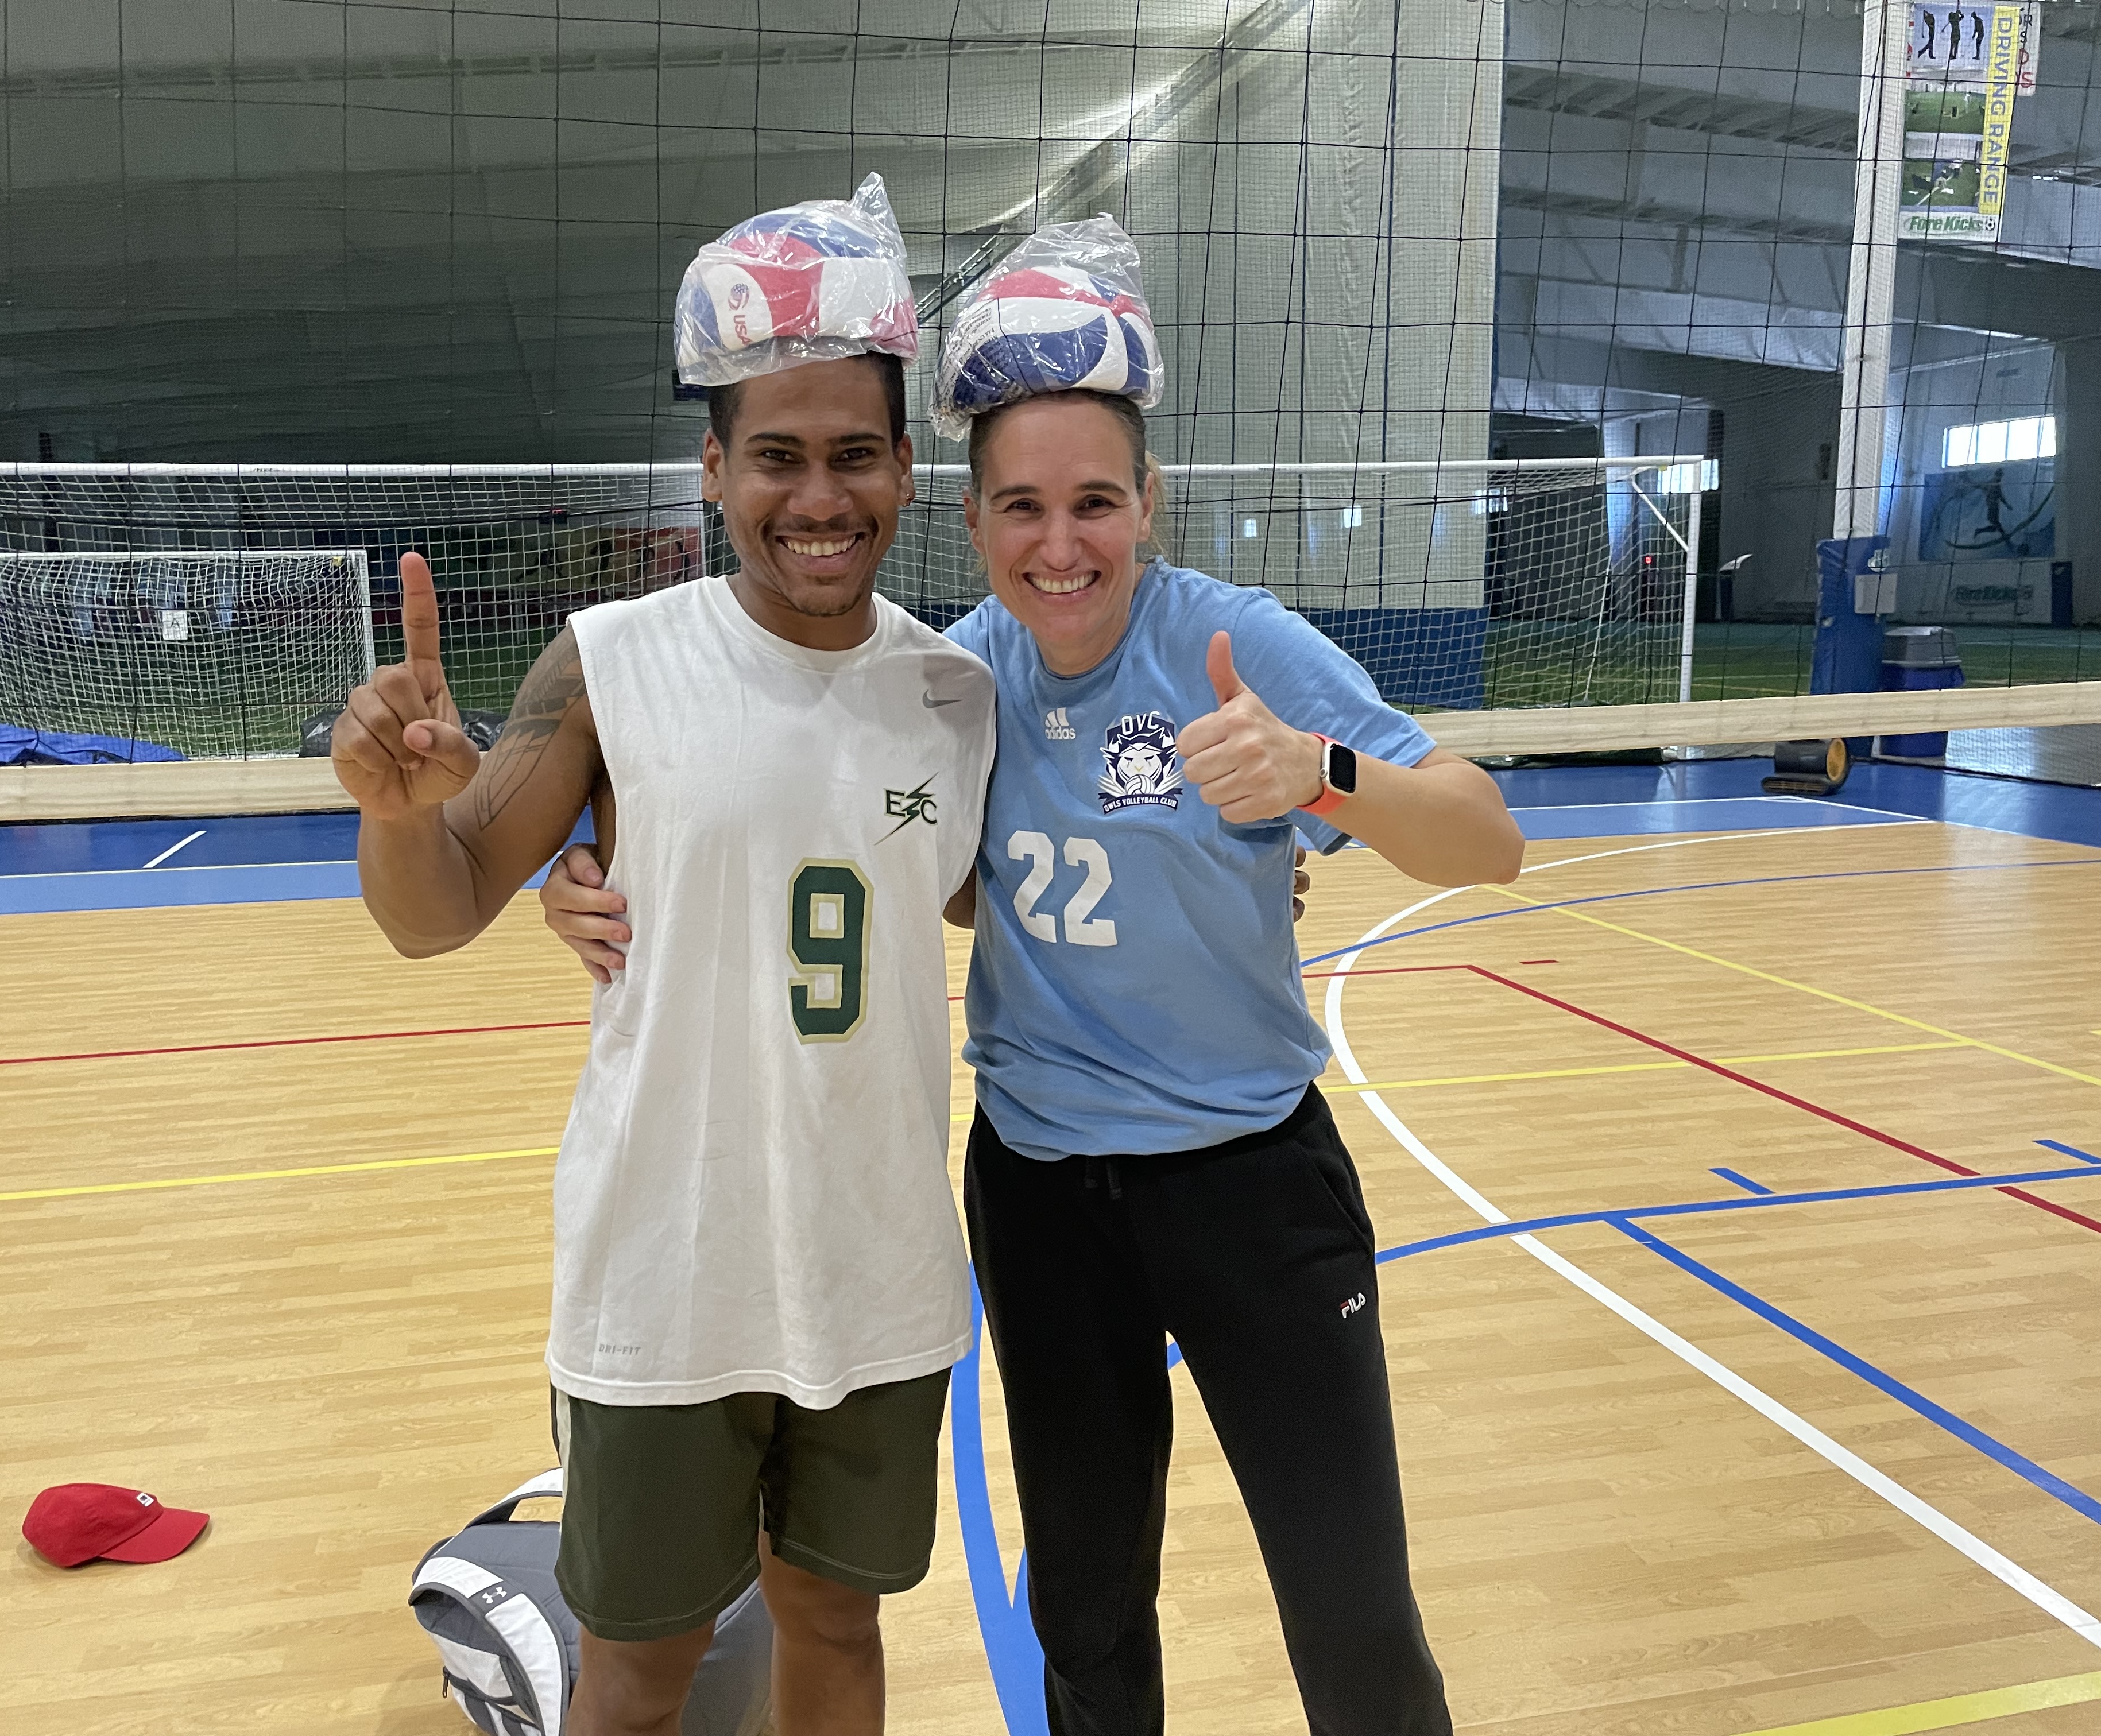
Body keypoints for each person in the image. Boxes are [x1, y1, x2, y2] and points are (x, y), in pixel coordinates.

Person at [544, 221, 1523, 1736]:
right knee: (1086, 1612)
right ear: (975, 517)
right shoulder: (956, 682)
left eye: (1094, 503)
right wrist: (605, 877)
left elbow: (1487, 840)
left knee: (1352, 1618)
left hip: (1252, 1185)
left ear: (1149, 502)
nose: (1060, 544)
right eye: (1023, 506)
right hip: (1047, 1197)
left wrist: (1319, 774)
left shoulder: (1235, 644)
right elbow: (880, 855)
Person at [333, 177, 995, 1736]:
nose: (817, 497)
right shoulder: (613, 662)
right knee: (640, 1666)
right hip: (665, 1273)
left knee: (837, 1628)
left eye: (854, 455)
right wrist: (396, 813)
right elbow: (436, 909)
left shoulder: (956, 696)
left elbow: (1016, 898)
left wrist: (1236, 860)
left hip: (879, 1268)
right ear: (714, 469)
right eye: (777, 457)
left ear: (906, 470)